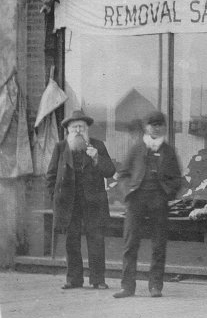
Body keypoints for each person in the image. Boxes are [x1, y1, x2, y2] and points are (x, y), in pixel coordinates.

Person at [114, 111, 182, 298]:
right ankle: (127, 287)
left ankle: (155, 286)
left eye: (160, 125)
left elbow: (177, 178)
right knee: (130, 244)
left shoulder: (168, 151)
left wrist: (166, 194)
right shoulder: (136, 149)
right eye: (153, 124)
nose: (157, 128)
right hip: (136, 201)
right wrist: (128, 193)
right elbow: (123, 175)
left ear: (164, 128)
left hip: (158, 202)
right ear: (146, 127)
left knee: (158, 245)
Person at [46, 110, 116, 290]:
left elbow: (110, 171)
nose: (78, 130)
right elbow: (51, 175)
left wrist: (96, 158)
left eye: (81, 127)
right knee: (71, 241)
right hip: (69, 202)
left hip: (93, 202)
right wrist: (54, 198)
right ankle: (73, 279)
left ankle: (98, 280)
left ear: (87, 129)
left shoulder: (98, 146)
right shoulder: (61, 147)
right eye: (74, 127)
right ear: (68, 130)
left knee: (96, 241)